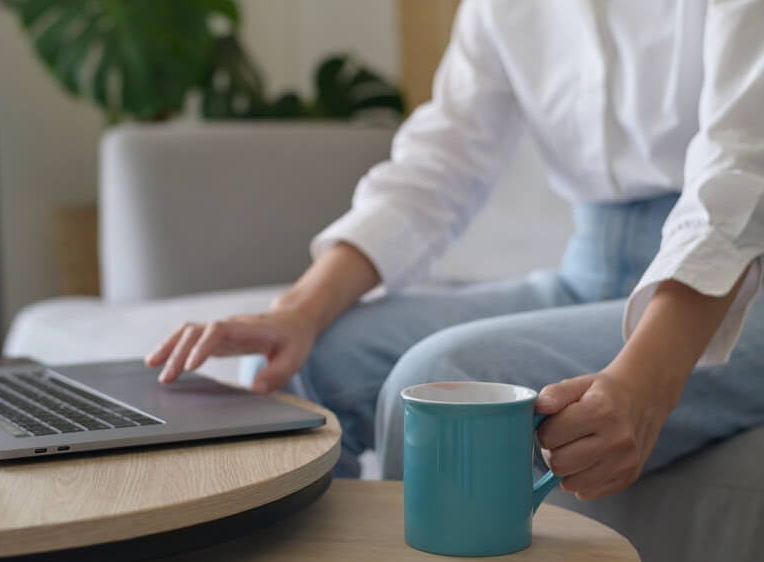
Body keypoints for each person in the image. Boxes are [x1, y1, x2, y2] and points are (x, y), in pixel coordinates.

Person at [146, 0, 764, 500]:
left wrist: (648, 381)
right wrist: (300, 310)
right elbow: (440, 164)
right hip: (591, 270)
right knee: (310, 359)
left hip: (738, 291)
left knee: (440, 384)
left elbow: (737, 177)